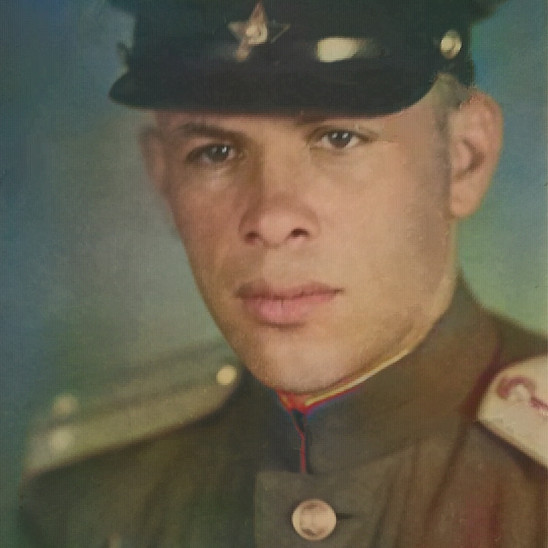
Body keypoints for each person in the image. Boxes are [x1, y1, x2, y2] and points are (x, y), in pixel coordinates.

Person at [19, 0, 547, 546]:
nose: (271, 218)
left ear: (464, 158)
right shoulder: (88, 498)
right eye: (215, 152)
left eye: (338, 138)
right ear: (163, 179)